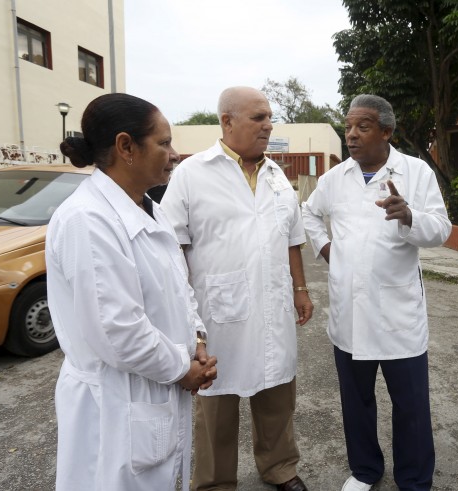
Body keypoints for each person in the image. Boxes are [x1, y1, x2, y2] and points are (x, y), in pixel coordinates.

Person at [47, 93, 218, 490]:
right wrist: (183, 369)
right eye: (163, 142)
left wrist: (196, 339)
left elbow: (179, 286)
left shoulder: (148, 209)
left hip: (151, 387)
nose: (174, 154)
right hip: (114, 402)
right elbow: (118, 332)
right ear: (126, 147)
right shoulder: (87, 220)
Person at [161, 86, 313, 491]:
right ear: (227, 122)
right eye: (258, 118)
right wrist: (182, 316)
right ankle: (214, 482)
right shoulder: (193, 174)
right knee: (216, 406)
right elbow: (172, 247)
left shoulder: (278, 175)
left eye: (269, 117)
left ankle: (280, 467)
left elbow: (292, 239)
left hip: (273, 307)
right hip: (216, 314)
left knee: (277, 394)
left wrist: (300, 288)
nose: (268, 125)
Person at [301, 94, 451, 491]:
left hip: (397, 314)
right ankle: (365, 470)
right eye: (348, 126)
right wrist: (328, 250)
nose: (350, 135)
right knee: (356, 402)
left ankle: (415, 480)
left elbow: (441, 229)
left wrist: (410, 216)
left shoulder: (416, 172)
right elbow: (310, 213)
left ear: (386, 131)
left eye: (362, 126)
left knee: (411, 406)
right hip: (349, 314)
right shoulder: (335, 178)